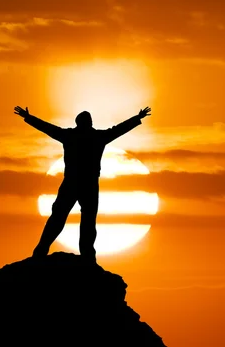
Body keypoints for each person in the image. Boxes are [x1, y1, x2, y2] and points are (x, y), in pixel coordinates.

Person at [14, 105, 152, 262]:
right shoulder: (95, 137)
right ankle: (76, 254)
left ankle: (50, 251)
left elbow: (48, 128)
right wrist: (137, 118)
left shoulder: (71, 136)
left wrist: (137, 118)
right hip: (84, 184)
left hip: (77, 183)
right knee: (74, 220)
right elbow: (117, 130)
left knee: (69, 219)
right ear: (87, 123)